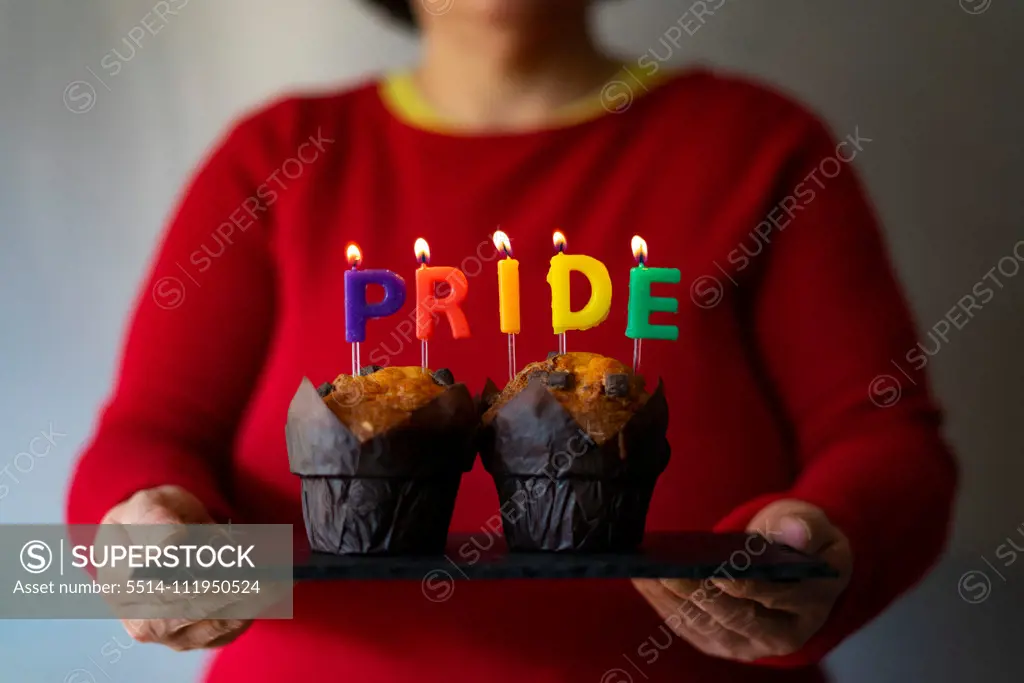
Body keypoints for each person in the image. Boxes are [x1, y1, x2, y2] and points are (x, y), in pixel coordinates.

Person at [66, 0, 958, 681]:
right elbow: (147, 432)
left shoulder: (761, 147)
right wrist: (141, 529)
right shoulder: (279, 157)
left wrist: (831, 545)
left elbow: (886, 442)